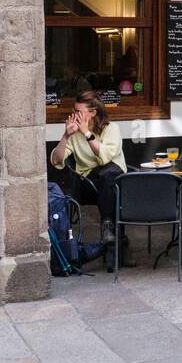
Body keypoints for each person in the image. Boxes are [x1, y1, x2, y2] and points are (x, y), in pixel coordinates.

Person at [50, 91, 128, 251]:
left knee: (108, 175)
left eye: (78, 111)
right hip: (89, 184)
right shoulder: (74, 134)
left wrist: (87, 133)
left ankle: (111, 234)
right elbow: (56, 160)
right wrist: (65, 136)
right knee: (107, 180)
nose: (74, 115)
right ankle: (116, 239)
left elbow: (105, 157)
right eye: (74, 111)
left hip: (115, 183)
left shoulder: (112, 129)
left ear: (92, 113)